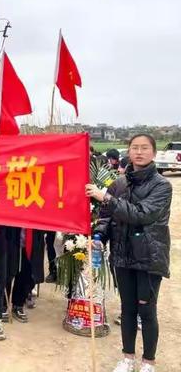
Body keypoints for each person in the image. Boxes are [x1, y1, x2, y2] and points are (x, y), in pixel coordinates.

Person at [86, 134, 172, 372]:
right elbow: (106, 217)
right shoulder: (119, 184)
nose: (139, 152)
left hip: (148, 257)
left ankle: (148, 362)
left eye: (145, 148)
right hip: (122, 255)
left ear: (153, 153)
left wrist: (106, 197)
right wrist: (99, 237)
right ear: (129, 152)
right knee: (127, 309)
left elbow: (141, 214)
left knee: (146, 310)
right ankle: (127, 357)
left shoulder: (162, 186)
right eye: (135, 147)